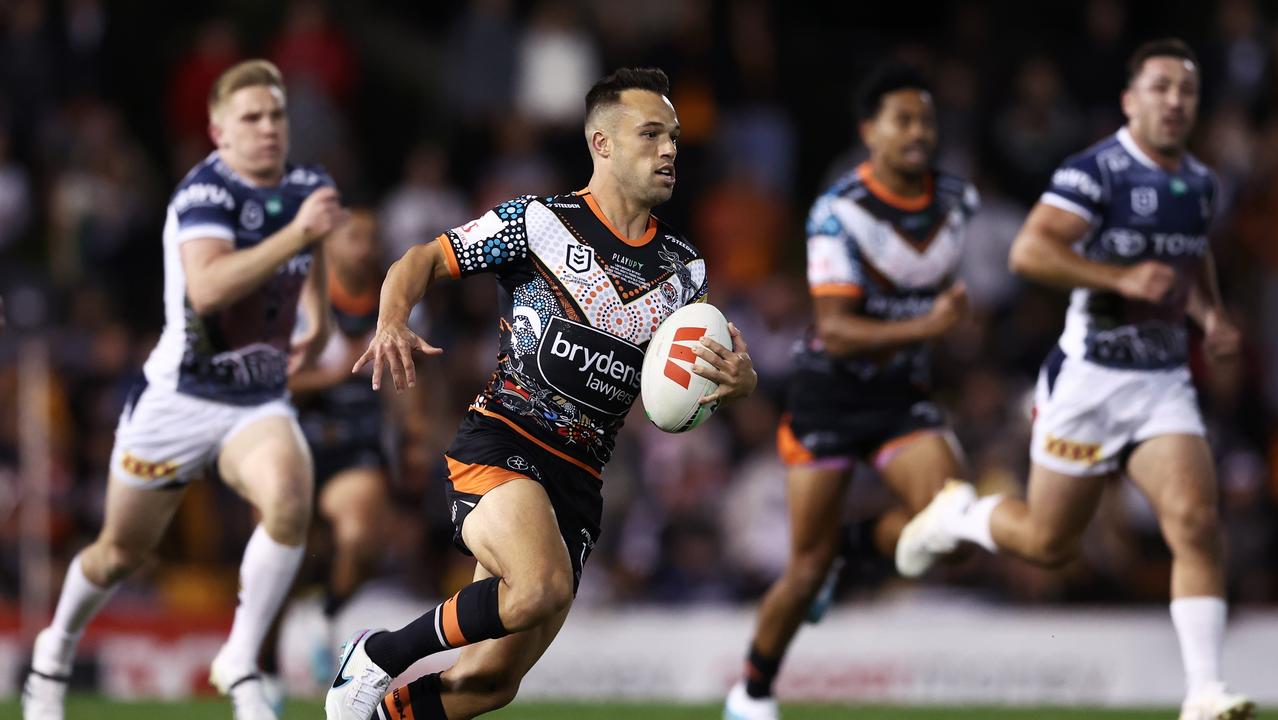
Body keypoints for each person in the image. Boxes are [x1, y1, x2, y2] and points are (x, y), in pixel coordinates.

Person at [324, 67, 758, 720]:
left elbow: (677, 392)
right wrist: (391, 320)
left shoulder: (684, 270)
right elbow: (421, 260)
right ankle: (380, 652)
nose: (669, 149)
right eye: (650, 134)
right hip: (502, 445)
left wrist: (734, 385)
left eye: (674, 137)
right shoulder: (536, 223)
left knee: (488, 684)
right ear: (602, 144)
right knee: (538, 587)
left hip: (579, 483)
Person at [897, 39, 1254, 720]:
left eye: (1186, 89)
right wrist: (1118, 278)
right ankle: (961, 514)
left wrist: (1210, 315)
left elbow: (1191, 254)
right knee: (1048, 544)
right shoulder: (1097, 173)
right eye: (1160, 87)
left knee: (1195, 519)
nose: (1175, 100)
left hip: (1161, 383)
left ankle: (1204, 691)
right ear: (1130, 100)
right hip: (1089, 382)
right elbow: (1031, 250)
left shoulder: (1201, 183)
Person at [21, 59, 344, 720]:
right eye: (250, 118)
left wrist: (319, 318)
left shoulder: (310, 185)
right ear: (218, 131)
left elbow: (313, 256)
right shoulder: (205, 195)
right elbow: (208, 288)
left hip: (254, 403)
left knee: (289, 498)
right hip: (179, 402)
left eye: (276, 115)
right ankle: (54, 651)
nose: (267, 129)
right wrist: (297, 236)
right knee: (118, 553)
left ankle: (241, 660)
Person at [722, 63, 978, 720]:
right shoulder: (837, 212)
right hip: (827, 394)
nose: (919, 131)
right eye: (903, 119)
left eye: (925, 118)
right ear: (870, 132)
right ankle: (751, 692)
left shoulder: (958, 201)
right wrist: (931, 324)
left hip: (900, 393)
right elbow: (834, 330)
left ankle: (850, 551)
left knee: (949, 524)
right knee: (803, 569)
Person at [259, 208, 396, 688]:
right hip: (294, 446)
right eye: (354, 236)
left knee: (364, 539)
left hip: (356, 443)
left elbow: (420, 373)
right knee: (282, 566)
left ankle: (325, 614)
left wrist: (418, 432)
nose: (365, 246)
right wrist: (333, 375)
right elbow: (270, 383)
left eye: (372, 236)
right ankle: (264, 668)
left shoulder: (394, 299)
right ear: (329, 246)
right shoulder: (298, 304)